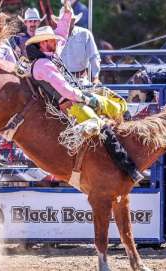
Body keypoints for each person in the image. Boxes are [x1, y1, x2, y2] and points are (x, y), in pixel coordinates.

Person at [25, 1, 143, 182]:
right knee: (99, 125)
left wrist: (66, 12)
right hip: (69, 105)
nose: (55, 41)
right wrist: (87, 99)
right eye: (51, 40)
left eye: (53, 39)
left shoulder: (51, 54)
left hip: (78, 96)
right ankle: (128, 168)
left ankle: (130, 146)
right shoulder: (43, 65)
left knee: (119, 105)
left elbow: (62, 33)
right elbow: (64, 89)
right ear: (43, 43)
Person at [53, 5, 100, 85]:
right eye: (64, 20)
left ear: (73, 20)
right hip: (59, 80)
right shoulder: (53, 35)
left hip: (80, 79)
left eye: (69, 19)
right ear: (60, 21)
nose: (67, 22)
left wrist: (96, 77)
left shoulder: (85, 34)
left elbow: (94, 56)